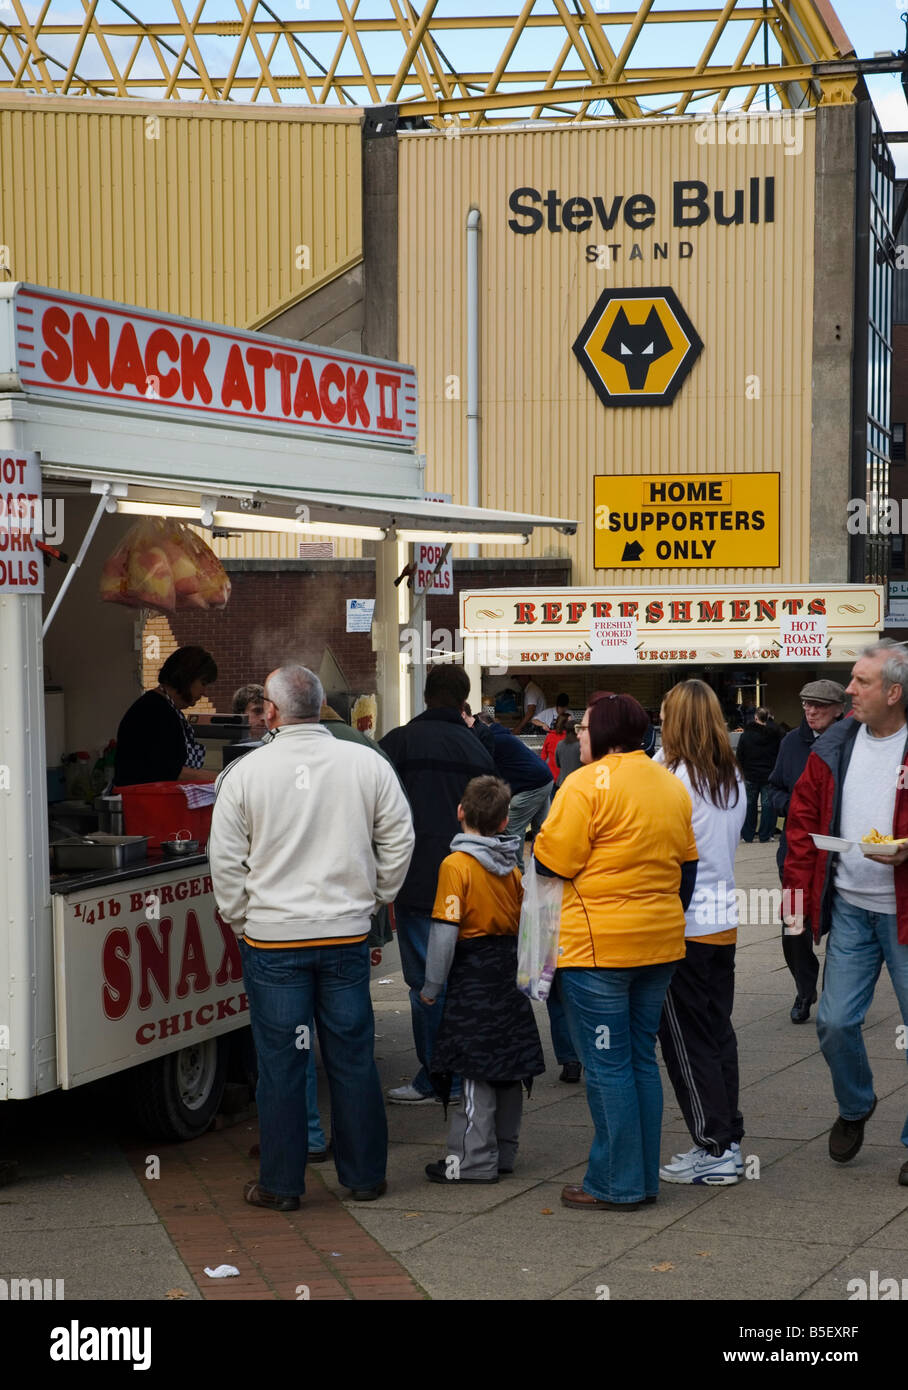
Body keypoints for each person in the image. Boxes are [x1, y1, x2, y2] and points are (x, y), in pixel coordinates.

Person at [208, 665, 414, 1210]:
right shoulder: (365, 762)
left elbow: (225, 863)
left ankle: (281, 1185)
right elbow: (399, 837)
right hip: (345, 936)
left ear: (270, 711)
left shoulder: (244, 773)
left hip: (273, 941)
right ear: (321, 705)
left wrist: (241, 921)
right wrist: (376, 898)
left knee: (281, 1063)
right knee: (352, 1056)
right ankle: (366, 1176)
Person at [533, 693, 697, 1210]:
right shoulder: (669, 784)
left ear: (603, 733)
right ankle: (640, 1178)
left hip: (598, 947)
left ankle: (615, 1184)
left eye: (583, 728)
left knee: (606, 1065)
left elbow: (553, 863)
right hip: (660, 943)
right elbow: (687, 870)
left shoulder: (583, 784)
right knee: (640, 1062)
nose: (578, 735)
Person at [783, 640, 908, 1187]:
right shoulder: (834, 745)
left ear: (894, 692)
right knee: (833, 1022)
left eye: (860, 681)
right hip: (853, 906)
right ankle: (855, 1105)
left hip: (903, 911)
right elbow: (801, 825)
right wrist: (797, 908)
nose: (848, 691)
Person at [420, 776, 545, 1183]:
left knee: (474, 1069)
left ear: (460, 812)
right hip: (507, 971)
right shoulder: (513, 866)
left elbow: (444, 929)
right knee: (508, 1064)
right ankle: (504, 1151)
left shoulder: (456, 866)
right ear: (506, 819)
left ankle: (472, 1160)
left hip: (472, 975)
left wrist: (432, 985)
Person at [379, 665, 495, 1104]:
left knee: (426, 985)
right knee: (463, 981)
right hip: (469, 881)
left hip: (417, 881)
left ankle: (435, 1077)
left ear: (426, 695)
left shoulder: (399, 742)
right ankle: (467, 1073)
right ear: (463, 699)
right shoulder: (477, 747)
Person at [654, 680, 747, 1185]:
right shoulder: (730, 776)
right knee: (717, 1036)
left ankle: (713, 1147)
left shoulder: (671, 778)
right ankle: (726, 1139)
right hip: (722, 922)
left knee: (686, 1045)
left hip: (684, 925)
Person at [767, 679, 847, 1024]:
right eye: (806, 705)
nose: (811, 711)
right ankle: (804, 988)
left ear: (839, 710)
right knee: (793, 925)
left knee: (843, 928)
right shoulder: (790, 742)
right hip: (796, 851)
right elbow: (773, 788)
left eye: (820, 706)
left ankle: (837, 996)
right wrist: (795, 806)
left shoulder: (852, 742)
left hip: (837, 852)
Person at [114, 646, 217, 786]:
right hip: (146, 801)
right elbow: (168, 770)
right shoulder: (153, 711)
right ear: (187, 677)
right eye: (203, 683)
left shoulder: (168, 709)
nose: (205, 692)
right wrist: (222, 778)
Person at [474, 708, 554, 846]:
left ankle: (516, 867)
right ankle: (543, 865)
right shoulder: (503, 735)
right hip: (544, 779)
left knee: (512, 830)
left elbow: (488, 773)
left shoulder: (494, 740)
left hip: (532, 784)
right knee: (541, 830)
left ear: (484, 725)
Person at [736, 706, 781, 843]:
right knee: (767, 805)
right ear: (768, 718)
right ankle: (765, 834)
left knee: (750, 805)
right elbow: (779, 755)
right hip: (768, 774)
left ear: (755, 718)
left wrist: (741, 770)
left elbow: (740, 755)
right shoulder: (775, 736)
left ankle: (748, 835)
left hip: (750, 774)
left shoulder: (746, 735)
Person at [554, 718, 582, 789]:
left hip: (562, 783)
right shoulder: (581, 745)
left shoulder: (560, 744)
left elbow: (558, 764)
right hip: (577, 783)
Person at [540, 713, 569, 778]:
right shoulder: (570, 737)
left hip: (552, 774)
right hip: (566, 775)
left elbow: (543, 755)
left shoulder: (550, 736)